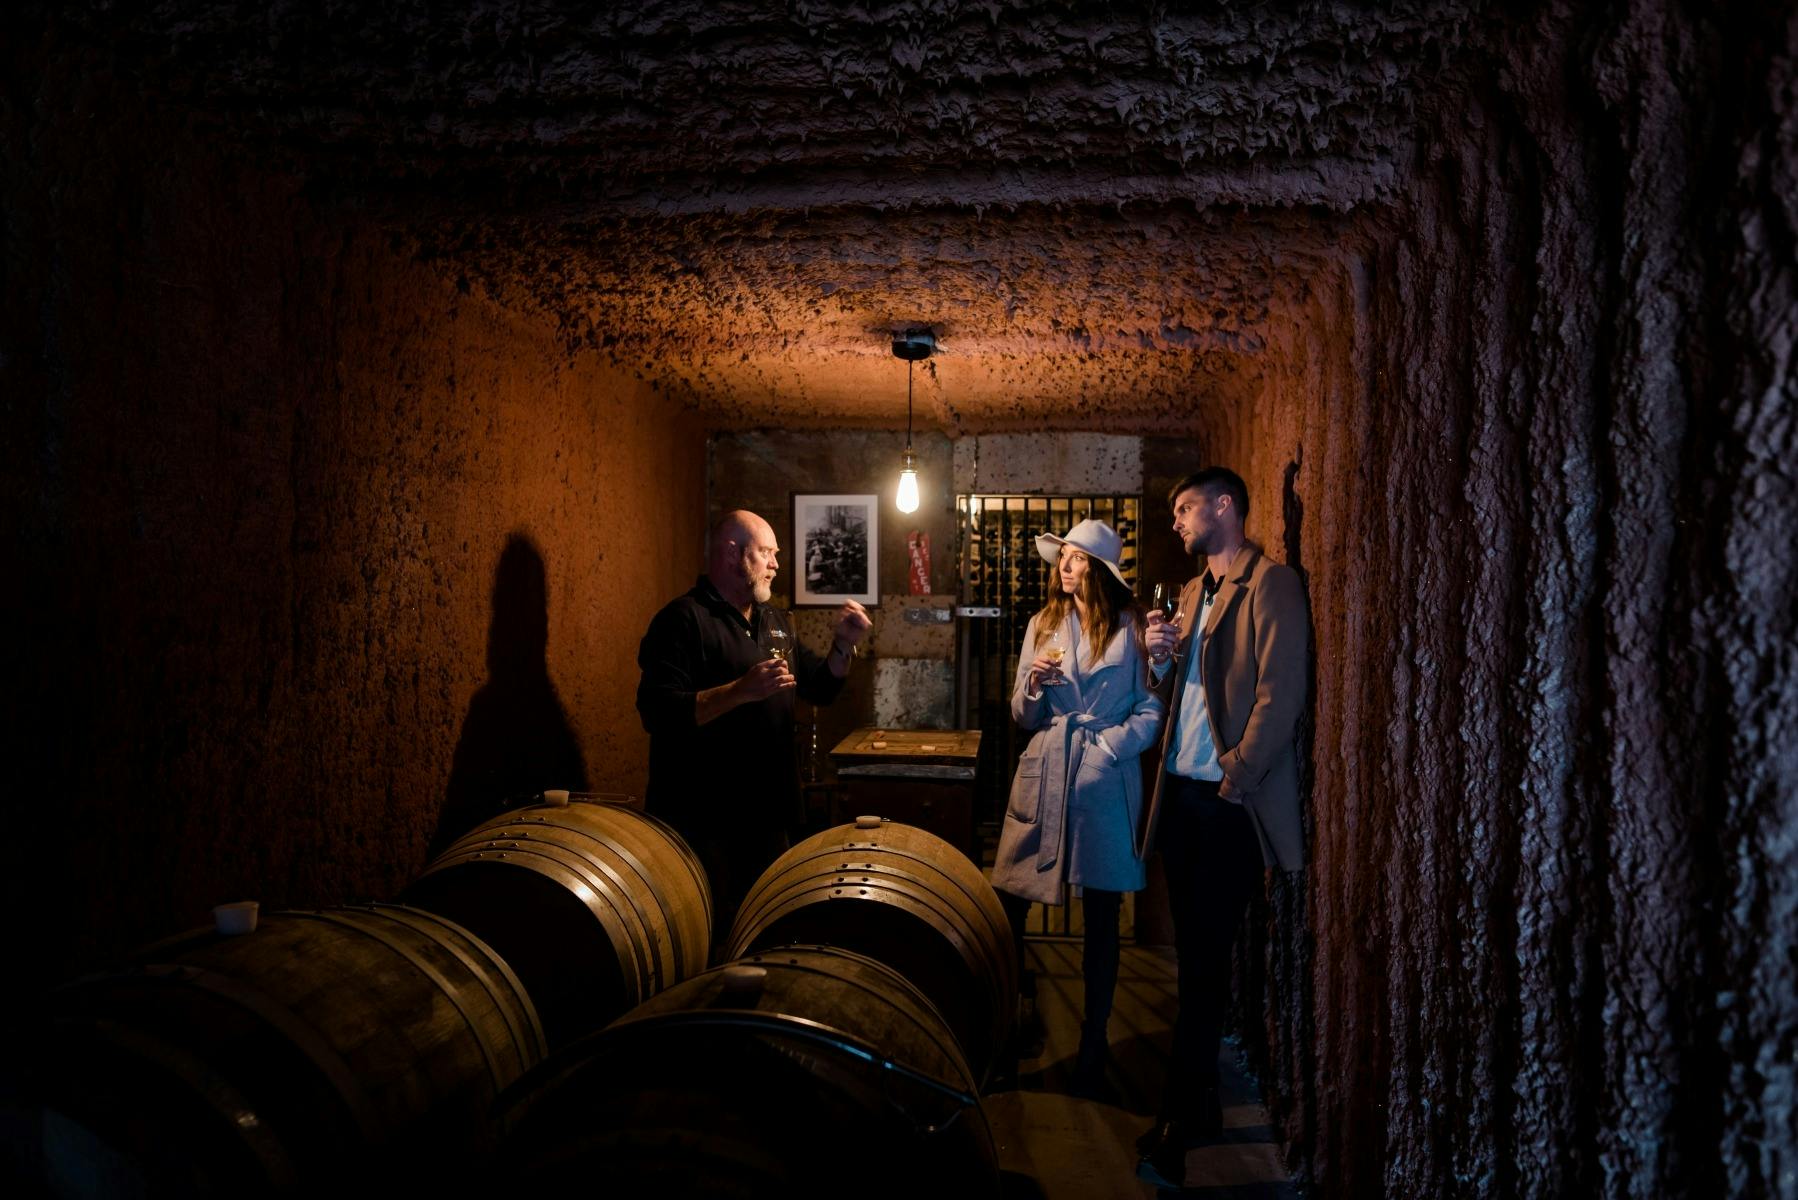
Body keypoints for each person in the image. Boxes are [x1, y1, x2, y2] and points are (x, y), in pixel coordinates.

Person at [1134, 467, 1309, 1189]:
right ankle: (1197, 1102)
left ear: (1223, 506)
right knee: (1195, 959)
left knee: (1204, 962)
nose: (1176, 522)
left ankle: (1180, 1121)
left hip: (1227, 802)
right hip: (1181, 797)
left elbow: (1282, 691)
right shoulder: (1188, 593)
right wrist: (1158, 658)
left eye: (1184, 508)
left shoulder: (1271, 584)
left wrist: (1237, 774)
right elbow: (1174, 694)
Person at [990, 518, 1164, 1099]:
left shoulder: (1132, 626)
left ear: (1100, 569)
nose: (1063, 566)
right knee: (1009, 903)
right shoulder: (1042, 624)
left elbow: (1149, 708)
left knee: (1100, 917)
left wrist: (1113, 746)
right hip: (1045, 770)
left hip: (1101, 779)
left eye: (1075, 558)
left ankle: (1093, 1042)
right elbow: (1021, 713)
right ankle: (1007, 1025)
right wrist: (1035, 687)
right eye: (1061, 557)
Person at [636, 509, 872, 932]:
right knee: (710, 936)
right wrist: (739, 690)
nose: (777, 564)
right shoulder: (684, 620)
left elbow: (820, 686)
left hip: (768, 813)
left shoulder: (773, 621)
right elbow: (658, 711)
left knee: (766, 929)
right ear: (732, 555)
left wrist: (842, 646)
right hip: (705, 820)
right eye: (766, 553)